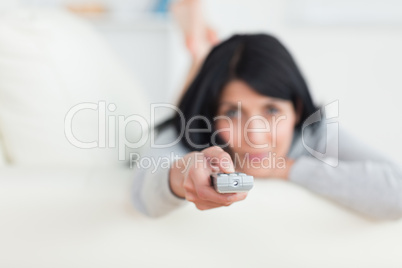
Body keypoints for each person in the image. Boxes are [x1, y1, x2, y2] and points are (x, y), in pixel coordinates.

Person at [132, 1, 402, 219]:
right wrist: (182, 176)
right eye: (233, 114)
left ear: (296, 108)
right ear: (211, 117)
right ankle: (199, 55)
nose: (256, 136)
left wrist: (285, 168)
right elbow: (145, 194)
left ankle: (200, 54)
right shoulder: (193, 130)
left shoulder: (315, 133)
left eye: (272, 110)